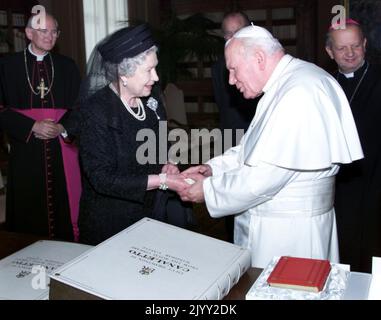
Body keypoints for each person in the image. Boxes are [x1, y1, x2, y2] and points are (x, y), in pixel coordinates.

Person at [178, 25, 364, 268]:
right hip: (282, 226)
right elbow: (251, 150)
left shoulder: (299, 92)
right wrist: (212, 169)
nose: (232, 80)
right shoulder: (289, 83)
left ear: (258, 58)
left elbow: (264, 177)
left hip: (291, 236)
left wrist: (208, 191)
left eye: (233, 70)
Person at [77, 24, 191, 245]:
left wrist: (167, 163)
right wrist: (163, 180)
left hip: (151, 216)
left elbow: (158, 147)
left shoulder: (152, 102)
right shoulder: (96, 111)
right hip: (110, 224)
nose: (156, 77)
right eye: (149, 70)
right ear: (124, 74)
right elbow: (102, 179)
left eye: (155, 68)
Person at [0, 13, 81, 241]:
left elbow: (81, 107)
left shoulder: (67, 66)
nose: (50, 36)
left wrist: (62, 127)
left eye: (55, 31)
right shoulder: (7, 66)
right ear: (28, 33)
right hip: (26, 150)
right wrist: (31, 126)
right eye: (44, 31)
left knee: (65, 207)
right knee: (29, 213)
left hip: (61, 149)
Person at [325, 19, 381, 273]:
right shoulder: (325, 85)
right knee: (344, 248)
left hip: (376, 179)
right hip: (342, 184)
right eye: (341, 48)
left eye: (355, 46)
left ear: (365, 45)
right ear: (330, 52)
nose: (349, 53)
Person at [211, 11, 259, 243]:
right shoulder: (220, 67)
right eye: (227, 35)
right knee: (231, 196)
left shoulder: (262, 61)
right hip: (231, 136)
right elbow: (224, 105)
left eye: (237, 33)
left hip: (258, 136)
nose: (232, 39)